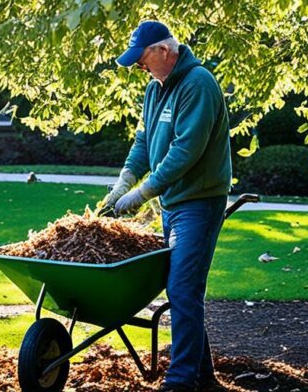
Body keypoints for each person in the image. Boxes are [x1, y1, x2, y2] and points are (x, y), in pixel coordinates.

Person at [102, 20, 232, 392]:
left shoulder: (199, 84)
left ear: (163, 50)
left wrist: (143, 193)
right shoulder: (154, 89)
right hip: (174, 203)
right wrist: (125, 180)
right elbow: (144, 141)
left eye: (142, 59)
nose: (139, 67)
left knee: (182, 287)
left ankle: (179, 382)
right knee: (182, 288)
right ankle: (202, 377)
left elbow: (186, 151)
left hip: (199, 201)